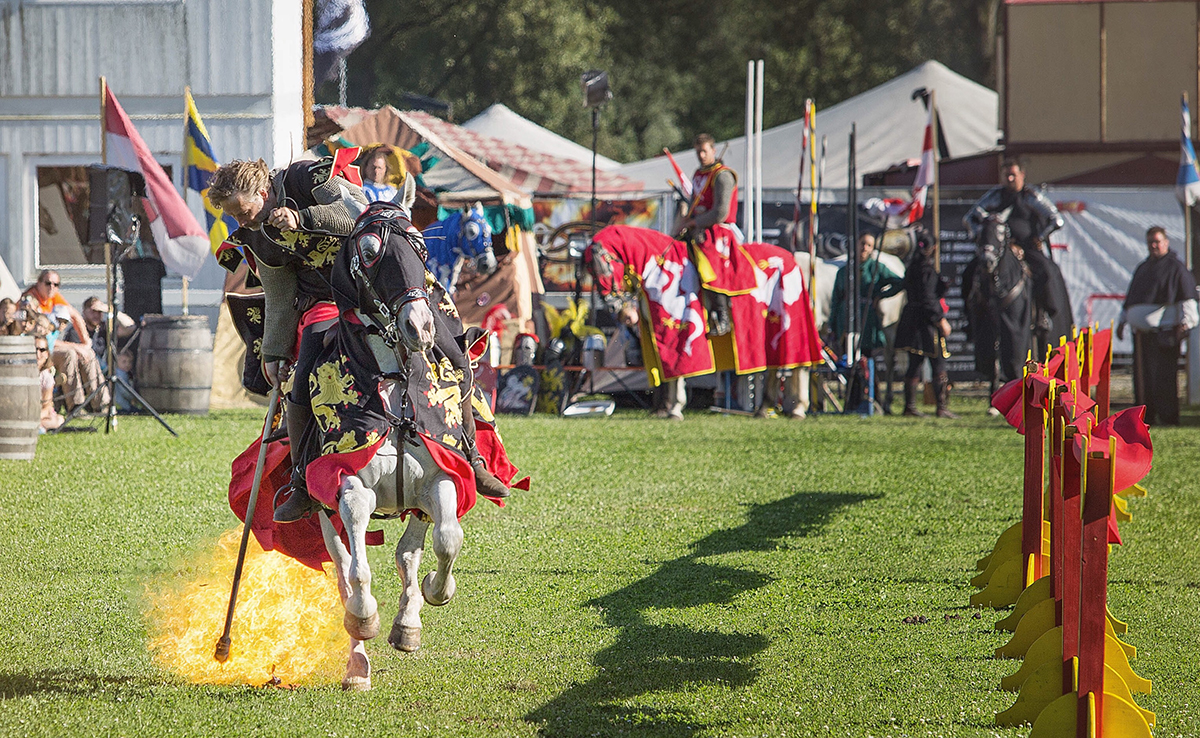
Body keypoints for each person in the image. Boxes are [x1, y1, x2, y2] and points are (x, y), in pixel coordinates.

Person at [209, 155, 509, 523]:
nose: (241, 222)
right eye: (235, 217)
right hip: (325, 300)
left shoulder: (308, 178)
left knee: (455, 356)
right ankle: (302, 481)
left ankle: (472, 459)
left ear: (261, 192)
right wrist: (273, 352)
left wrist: (302, 218)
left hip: (382, 277)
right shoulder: (257, 233)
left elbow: (357, 213)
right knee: (304, 376)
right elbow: (280, 294)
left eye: (242, 212)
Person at [966, 159, 1071, 359]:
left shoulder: (1031, 196)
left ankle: (1044, 315)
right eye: (1006, 175)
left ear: (1022, 175)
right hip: (999, 251)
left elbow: (1056, 220)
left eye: (1013, 175)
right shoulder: (994, 196)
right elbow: (970, 218)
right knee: (969, 272)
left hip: (1027, 248)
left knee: (1047, 272)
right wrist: (980, 235)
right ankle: (971, 319)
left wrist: (1039, 237)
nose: (1009, 179)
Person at [1117, 226, 1198, 426]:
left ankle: (1168, 417)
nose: (1153, 246)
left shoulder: (1175, 268)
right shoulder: (1143, 268)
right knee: (1143, 380)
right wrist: (1122, 322)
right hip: (1142, 336)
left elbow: (1187, 299)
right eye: (1150, 242)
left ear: (1166, 242)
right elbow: (1131, 300)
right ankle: (1146, 416)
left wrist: (1186, 323)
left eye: (1157, 241)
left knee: (1164, 378)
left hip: (1165, 334)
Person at [675, 133, 740, 337]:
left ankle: (721, 316)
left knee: (708, 264)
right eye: (698, 152)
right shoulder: (698, 174)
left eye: (704, 151)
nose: (701, 156)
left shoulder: (722, 175)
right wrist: (686, 221)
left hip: (717, 232)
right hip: (696, 229)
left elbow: (721, 212)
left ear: (713, 150)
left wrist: (696, 221)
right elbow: (695, 203)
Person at [830, 233, 904, 411]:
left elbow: (899, 283)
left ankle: (873, 398)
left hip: (867, 320)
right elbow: (836, 299)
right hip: (846, 320)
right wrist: (833, 325)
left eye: (869, 245)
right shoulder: (844, 271)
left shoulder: (877, 268)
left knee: (867, 360)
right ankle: (852, 400)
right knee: (849, 360)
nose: (865, 248)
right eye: (862, 243)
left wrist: (880, 295)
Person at [20, 270, 109, 413]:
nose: (52, 287)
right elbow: (42, 340)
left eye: (56, 284)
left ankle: (102, 404)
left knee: (89, 354)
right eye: (48, 283)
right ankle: (76, 405)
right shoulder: (30, 301)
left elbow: (75, 315)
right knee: (70, 354)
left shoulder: (54, 298)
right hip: (36, 351)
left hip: (50, 347)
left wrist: (86, 343)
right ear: (38, 283)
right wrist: (77, 347)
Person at [894, 227, 956, 419]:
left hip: (912, 320)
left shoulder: (912, 268)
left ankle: (910, 406)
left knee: (915, 363)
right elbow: (928, 299)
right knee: (937, 364)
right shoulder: (925, 270)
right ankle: (940, 407)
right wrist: (940, 320)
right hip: (925, 324)